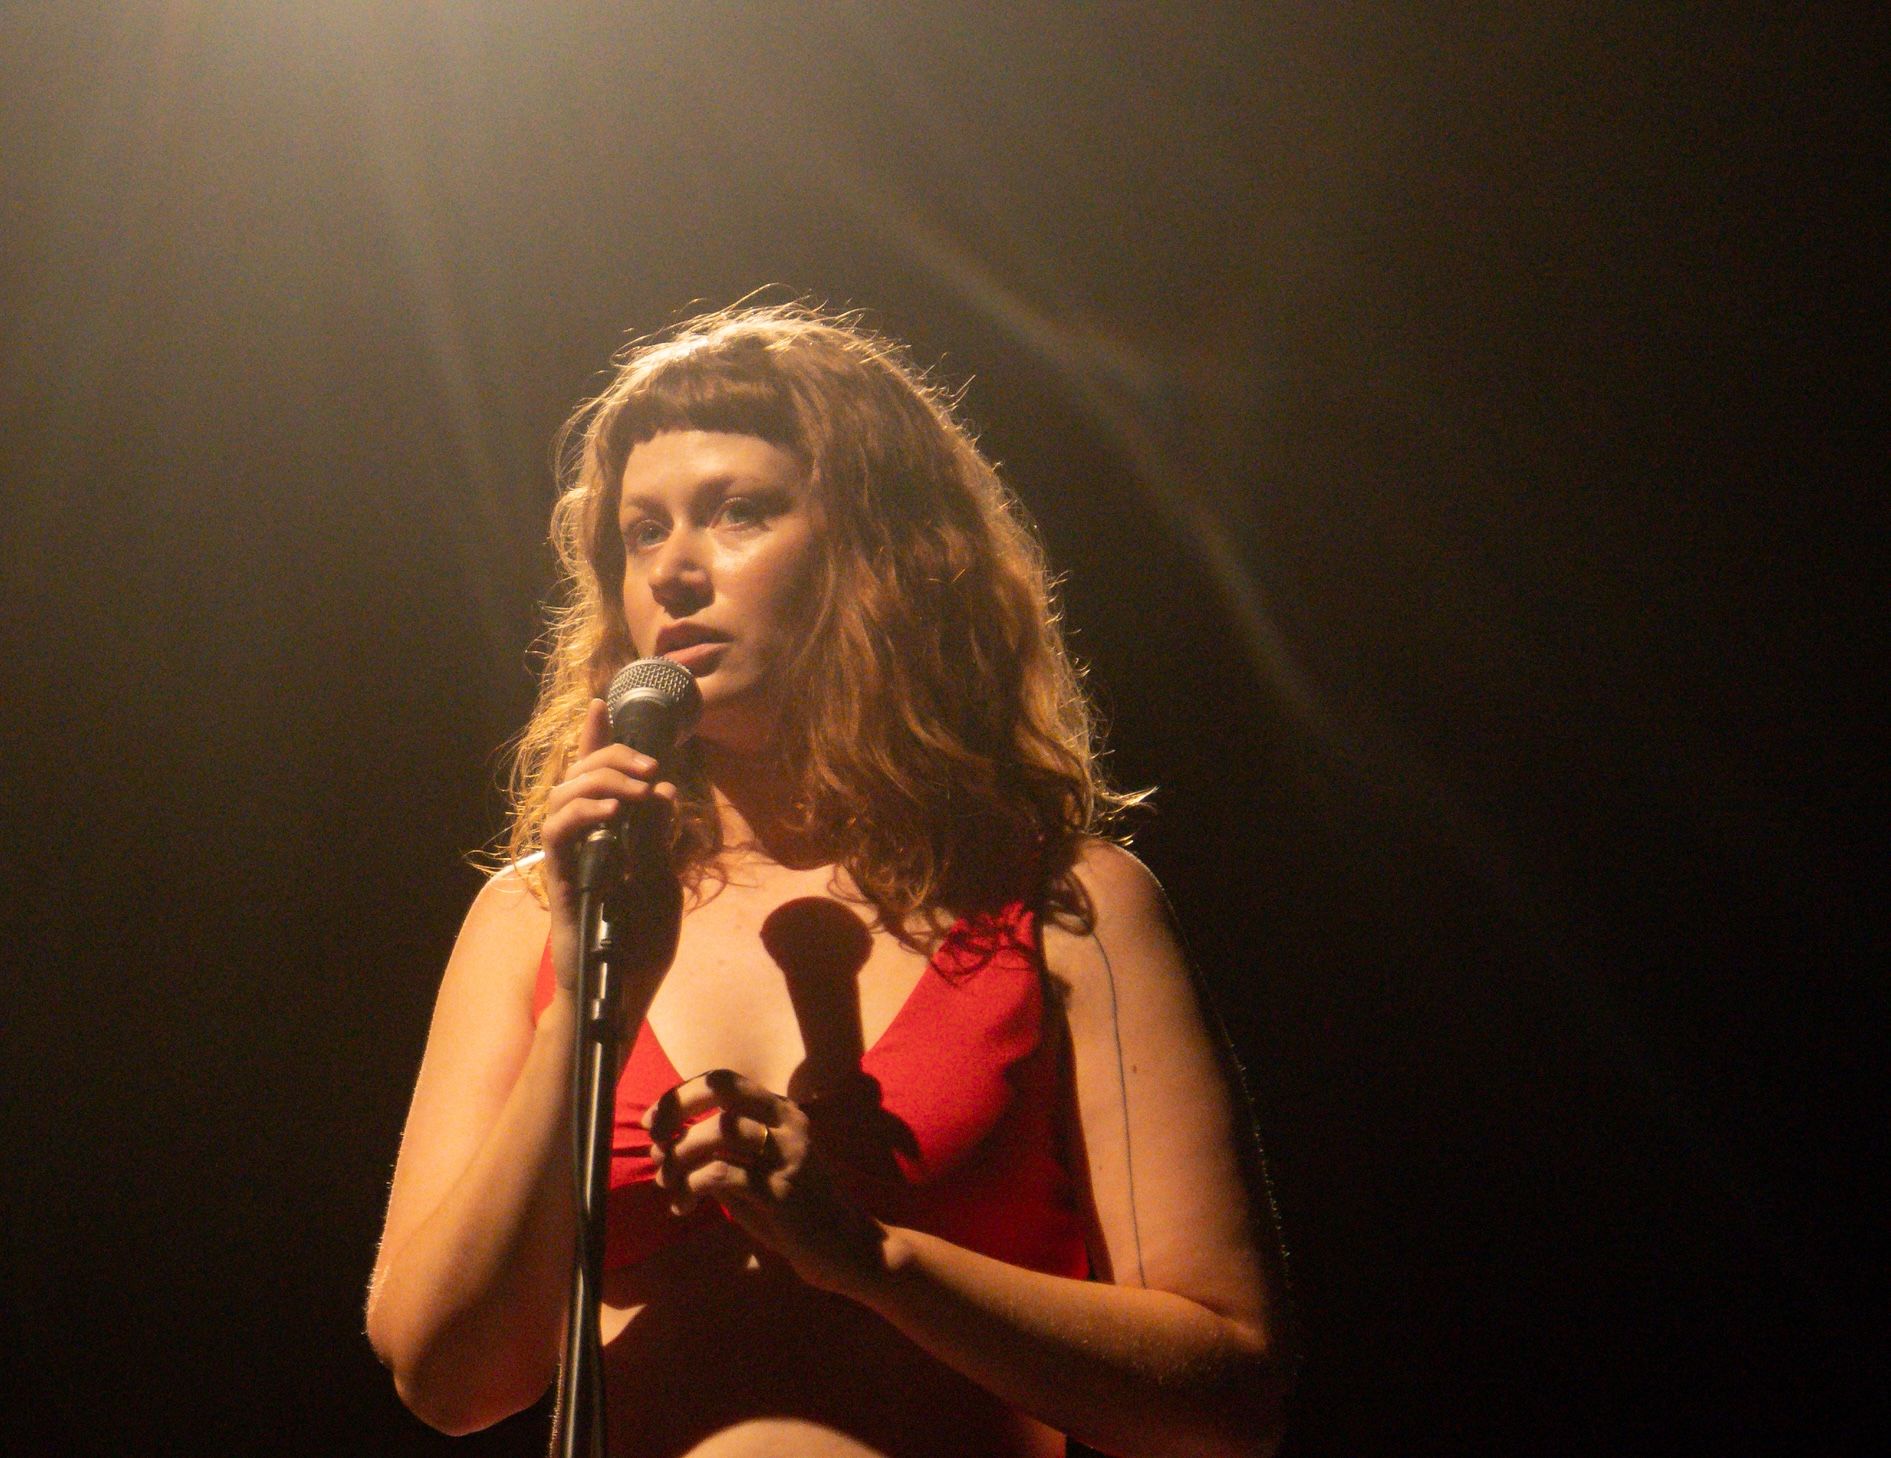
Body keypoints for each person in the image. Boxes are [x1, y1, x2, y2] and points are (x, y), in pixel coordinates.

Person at [366, 304, 1291, 1457]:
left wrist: (869, 1257)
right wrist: (592, 998)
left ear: (882, 550)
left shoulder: (1068, 906)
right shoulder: (537, 914)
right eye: (641, 532)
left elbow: (1223, 1394)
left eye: (738, 511)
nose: (675, 571)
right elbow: (445, 1379)